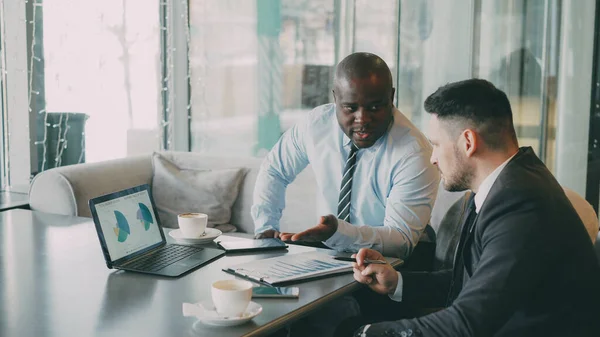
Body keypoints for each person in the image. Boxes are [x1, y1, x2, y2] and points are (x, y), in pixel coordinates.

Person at [349, 79, 600, 337]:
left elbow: (469, 322)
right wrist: (397, 282)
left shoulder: (521, 202)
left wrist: (368, 334)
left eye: (436, 144)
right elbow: (470, 284)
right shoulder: (503, 186)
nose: (433, 158)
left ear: (468, 142)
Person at [252, 52, 439, 259]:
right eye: (350, 108)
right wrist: (266, 228)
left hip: (396, 261)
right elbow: (275, 169)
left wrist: (338, 233)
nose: (362, 119)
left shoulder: (414, 153)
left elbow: (400, 241)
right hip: (331, 247)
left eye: (375, 107)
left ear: (391, 97)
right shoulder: (316, 125)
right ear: (335, 98)